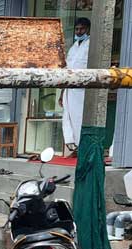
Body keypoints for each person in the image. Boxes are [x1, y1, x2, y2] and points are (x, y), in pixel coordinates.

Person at [60, 18, 90, 157]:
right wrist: (62, 93)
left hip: (82, 89)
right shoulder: (73, 47)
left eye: (82, 29)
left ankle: (83, 148)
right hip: (69, 89)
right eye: (77, 29)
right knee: (69, 118)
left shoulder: (90, 45)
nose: (79, 32)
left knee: (79, 118)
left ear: (88, 29)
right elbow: (67, 70)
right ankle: (75, 148)